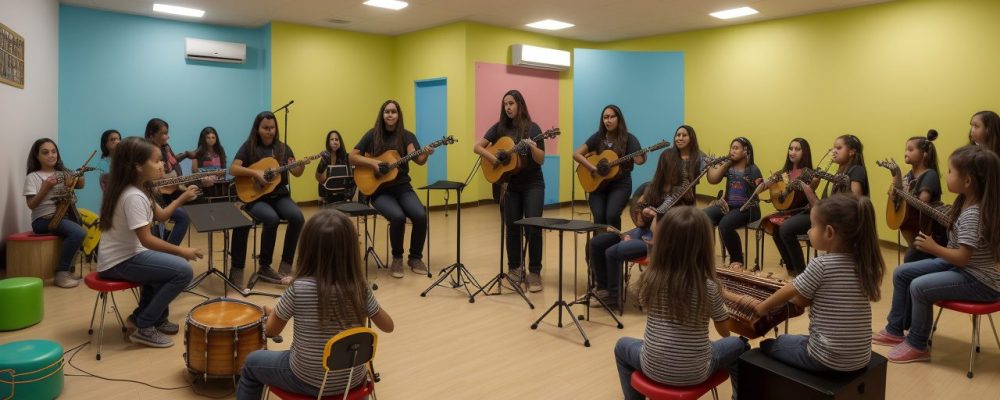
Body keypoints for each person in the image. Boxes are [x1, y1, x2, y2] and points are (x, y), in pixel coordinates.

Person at [237, 209, 394, 400]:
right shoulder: (359, 287)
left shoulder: (299, 288)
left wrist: (274, 314)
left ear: (307, 249)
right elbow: (388, 326)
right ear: (351, 249)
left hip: (306, 381)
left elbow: (271, 332)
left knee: (252, 363)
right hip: (353, 380)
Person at [873, 146, 1000, 363]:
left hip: (980, 281)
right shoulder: (964, 202)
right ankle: (895, 330)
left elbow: (962, 257)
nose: (946, 175)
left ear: (967, 181)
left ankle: (917, 344)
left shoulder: (973, 214)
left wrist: (934, 248)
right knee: (902, 273)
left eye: (950, 171)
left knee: (919, 286)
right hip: (962, 268)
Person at [614, 206, 749, 400]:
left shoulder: (652, 278)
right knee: (738, 345)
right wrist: (725, 342)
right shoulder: (708, 286)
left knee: (621, 345)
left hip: (650, 365)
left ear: (664, 241)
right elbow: (722, 329)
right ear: (704, 244)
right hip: (695, 373)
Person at [756, 194, 885, 373]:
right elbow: (804, 300)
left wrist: (762, 307)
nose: (809, 231)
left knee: (770, 345)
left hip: (826, 360)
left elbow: (791, 289)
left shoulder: (821, 264)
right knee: (798, 340)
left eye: (813, 226)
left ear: (829, 232)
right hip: (860, 357)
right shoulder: (862, 263)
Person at [97, 137, 200, 348]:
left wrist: (181, 199)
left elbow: (161, 216)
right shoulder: (133, 196)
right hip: (120, 262)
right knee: (183, 272)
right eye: (156, 161)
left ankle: (151, 319)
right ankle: (143, 325)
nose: (163, 165)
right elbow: (147, 240)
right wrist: (181, 251)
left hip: (128, 256)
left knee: (168, 269)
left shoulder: (140, 189)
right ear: (137, 166)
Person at [472, 90, 547, 292]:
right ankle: (514, 268)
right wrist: (493, 158)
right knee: (512, 227)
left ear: (520, 105)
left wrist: (532, 147)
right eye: (505, 104)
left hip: (533, 183)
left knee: (533, 226)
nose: (508, 107)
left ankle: (534, 271)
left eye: (511, 103)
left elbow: (541, 159)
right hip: (511, 184)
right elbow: (477, 147)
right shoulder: (499, 128)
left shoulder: (533, 128)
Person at [350, 100, 431, 278]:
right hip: (379, 190)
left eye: (393, 112)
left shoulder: (407, 136)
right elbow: (352, 157)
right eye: (387, 111)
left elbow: (418, 159)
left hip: (402, 187)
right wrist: (374, 163)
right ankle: (397, 258)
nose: (390, 115)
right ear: (382, 114)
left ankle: (415, 257)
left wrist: (425, 154)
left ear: (398, 115)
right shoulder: (372, 135)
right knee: (397, 217)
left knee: (420, 215)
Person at [229, 111, 306, 289]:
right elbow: (233, 169)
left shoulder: (283, 148)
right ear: (257, 129)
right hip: (255, 197)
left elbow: (296, 172)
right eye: (265, 128)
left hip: (279, 195)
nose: (269, 131)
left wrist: (299, 167)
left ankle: (285, 265)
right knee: (271, 219)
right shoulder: (249, 146)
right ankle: (263, 265)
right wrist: (254, 172)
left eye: (272, 128)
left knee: (297, 217)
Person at [773, 134, 869, 276]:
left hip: (836, 221)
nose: (834, 151)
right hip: (823, 214)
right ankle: (792, 271)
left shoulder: (856, 170)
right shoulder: (839, 171)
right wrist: (811, 188)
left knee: (786, 229)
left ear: (852, 152)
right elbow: (824, 202)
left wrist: (809, 191)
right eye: (833, 148)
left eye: (839, 148)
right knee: (777, 228)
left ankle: (801, 274)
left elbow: (854, 202)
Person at [23, 138, 87, 288]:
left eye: (53, 151)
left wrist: (80, 174)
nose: (51, 155)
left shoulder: (62, 173)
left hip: (62, 218)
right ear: (37, 156)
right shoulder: (33, 177)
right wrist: (45, 188)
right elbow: (31, 205)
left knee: (79, 225)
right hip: (42, 220)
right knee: (78, 233)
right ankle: (61, 273)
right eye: (45, 152)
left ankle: (70, 270)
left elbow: (80, 185)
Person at [573, 105, 644, 230]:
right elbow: (576, 154)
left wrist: (640, 158)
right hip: (597, 185)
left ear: (619, 119)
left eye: (612, 117)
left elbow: (639, 160)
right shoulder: (598, 137)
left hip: (620, 184)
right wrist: (591, 168)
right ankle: (597, 248)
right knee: (599, 217)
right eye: (605, 117)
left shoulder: (629, 138)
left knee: (612, 216)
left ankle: (614, 247)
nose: (608, 120)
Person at [703, 137, 763, 269]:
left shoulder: (753, 169)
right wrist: (724, 164)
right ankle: (705, 255)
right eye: (731, 148)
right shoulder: (728, 167)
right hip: (728, 206)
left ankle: (737, 259)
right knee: (703, 216)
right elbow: (713, 180)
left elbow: (761, 189)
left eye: (736, 148)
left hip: (748, 209)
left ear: (745, 151)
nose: (732, 151)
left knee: (725, 224)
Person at [895, 129, 945, 262]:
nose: (906, 153)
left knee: (910, 259)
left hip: (927, 234)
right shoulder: (908, 176)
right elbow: (898, 197)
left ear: (924, 154)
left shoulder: (930, 175)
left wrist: (901, 192)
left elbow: (922, 202)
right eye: (906, 149)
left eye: (911, 150)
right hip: (912, 231)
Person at [144, 118, 190, 246]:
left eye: (167, 133)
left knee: (196, 195)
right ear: (151, 135)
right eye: (163, 134)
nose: (167, 137)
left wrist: (185, 185)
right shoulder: (147, 151)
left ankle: (167, 242)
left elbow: (174, 170)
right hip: (156, 198)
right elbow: (154, 183)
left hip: (169, 195)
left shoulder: (166, 148)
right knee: (183, 217)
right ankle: (170, 250)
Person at [316, 129, 355, 203]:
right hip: (327, 191)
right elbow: (319, 178)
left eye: (337, 140)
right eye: (332, 139)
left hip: (343, 192)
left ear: (340, 142)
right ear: (328, 142)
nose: (334, 142)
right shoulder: (325, 157)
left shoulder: (346, 157)